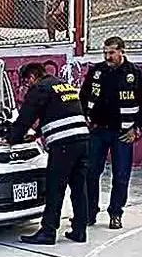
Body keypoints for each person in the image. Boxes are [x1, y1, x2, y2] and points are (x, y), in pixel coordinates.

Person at [7, 62, 90, 245]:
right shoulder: (61, 84)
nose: (27, 85)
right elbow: (59, 113)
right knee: (78, 187)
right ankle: (79, 230)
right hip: (83, 141)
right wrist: (38, 134)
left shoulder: (39, 88)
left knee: (55, 187)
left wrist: (11, 140)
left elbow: (25, 118)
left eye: (26, 82)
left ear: (31, 77)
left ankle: (48, 231)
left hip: (64, 144)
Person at [79, 36, 142, 230]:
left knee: (121, 176)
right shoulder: (96, 71)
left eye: (111, 52)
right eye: (105, 52)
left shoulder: (135, 73)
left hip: (122, 134)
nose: (107, 56)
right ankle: (89, 213)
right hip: (97, 131)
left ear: (122, 51)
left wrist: (136, 128)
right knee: (91, 173)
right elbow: (83, 96)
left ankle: (115, 213)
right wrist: (86, 117)